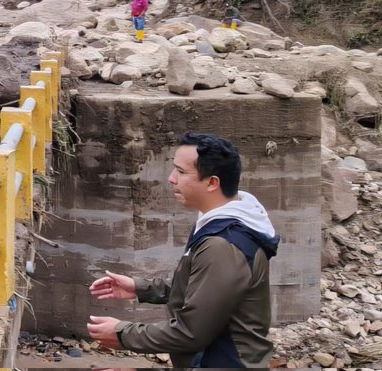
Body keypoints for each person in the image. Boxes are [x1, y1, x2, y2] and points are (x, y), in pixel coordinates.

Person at [86, 132, 279, 368]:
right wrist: (142, 288)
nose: (171, 178)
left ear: (212, 183)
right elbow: (205, 293)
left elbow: (191, 333)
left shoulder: (223, 245)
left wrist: (122, 334)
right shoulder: (220, 223)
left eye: (181, 171)